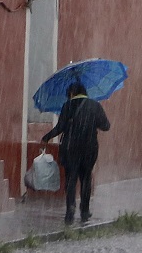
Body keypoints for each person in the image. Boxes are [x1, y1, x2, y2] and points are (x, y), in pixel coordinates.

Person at [41, 81, 111, 225]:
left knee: (71, 179)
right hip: (89, 148)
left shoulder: (67, 106)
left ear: (72, 93)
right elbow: (106, 126)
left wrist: (46, 137)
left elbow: (60, 127)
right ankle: (85, 211)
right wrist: (93, 122)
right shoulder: (95, 105)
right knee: (86, 178)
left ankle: (70, 209)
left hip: (71, 148)